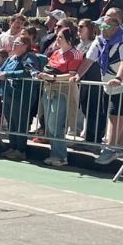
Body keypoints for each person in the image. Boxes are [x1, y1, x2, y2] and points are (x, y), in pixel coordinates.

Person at [86, 13, 123, 166]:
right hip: (109, 85)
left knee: (115, 114)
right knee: (115, 115)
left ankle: (111, 147)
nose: (100, 29)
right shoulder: (100, 40)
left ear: (115, 27)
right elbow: (88, 60)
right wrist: (78, 75)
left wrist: (119, 78)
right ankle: (119, 147)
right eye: (100, 26)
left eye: (104, 26)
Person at [36, 26, 83, 167]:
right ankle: (54, 153)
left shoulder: (75, 54)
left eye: (60, 37)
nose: (57, 39)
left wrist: (53, 77)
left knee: (55, 123)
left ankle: (61, 156)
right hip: (48, 89)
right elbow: (49, 67)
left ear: (69, 39)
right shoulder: (56, 52)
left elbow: (72, 74)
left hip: (63, 91)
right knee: (49, 123)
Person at [0, 34, 44, 161]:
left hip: (22, 94)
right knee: (11, 121)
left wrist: (8, 74)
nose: (13, 45)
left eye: (17, 43)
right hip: (7, 93)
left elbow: (29, 72)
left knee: (20, 121)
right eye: (14, 43)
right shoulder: (11, 58)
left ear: (25, 46)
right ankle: (12, 146)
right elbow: (0, 69)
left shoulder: (29, 57)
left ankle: (20, 150)